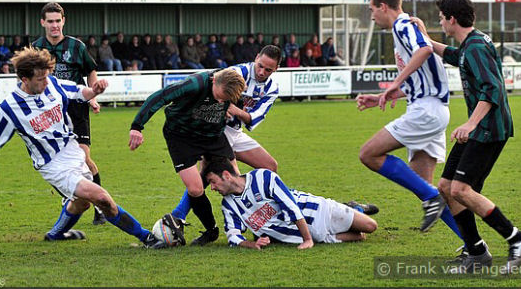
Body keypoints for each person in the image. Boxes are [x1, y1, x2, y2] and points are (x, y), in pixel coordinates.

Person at [0, 47, 167, 249]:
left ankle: (55, 235)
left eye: (46, 76)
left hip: (72, 150)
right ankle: (147, 237)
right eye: (40, 79)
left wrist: (95, 91)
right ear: (24, 79)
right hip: (52, 164)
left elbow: (79, 92)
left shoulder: (51, 83)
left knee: (82, 204)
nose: (45, 82)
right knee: (101, 198)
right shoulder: (9, 108)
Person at [411, 0, 521, 274]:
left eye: (441, 18)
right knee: (446, 187)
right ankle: (477, 253)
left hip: (489, 130)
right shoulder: (471, 44)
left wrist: (470, 124)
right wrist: (426, 41)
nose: (441, 22)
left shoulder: (476, 47)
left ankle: (517, 238)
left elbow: (493, 89)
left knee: (461, 190)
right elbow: (456, 56)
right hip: (482, 128)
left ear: (452, 19)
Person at [356, 0, 463, 242]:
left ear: (383, 6)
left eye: (371, 9)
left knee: (368, 154)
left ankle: (433, 199)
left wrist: (395, 82)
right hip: (432, 109)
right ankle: (474, 246)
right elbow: (424, 74)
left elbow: (425, 49)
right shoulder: (406, 27)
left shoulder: (403, 25)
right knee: (422, 184)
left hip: (426, 111)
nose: (372, 16)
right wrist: (388, 94)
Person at [168, 45, 284, 238]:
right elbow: (213, 95)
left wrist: (237, 110)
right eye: (260, 66)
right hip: (216, 130)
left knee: (270, 167)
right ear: (256, 58)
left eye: (268, 70)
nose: (262, 72)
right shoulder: (237, 73)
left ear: (276, 69)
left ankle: (265, 212)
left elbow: (254, 118)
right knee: (227, 176)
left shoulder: (272, 89)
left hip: (235, 131)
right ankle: (241, 221)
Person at [128, 68, 246, 246]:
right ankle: (211, 230)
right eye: (219, 97)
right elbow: (160, 97)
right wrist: (137, 126)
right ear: (214, 81)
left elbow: (239, 102)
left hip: (213, 136)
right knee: (195, 189)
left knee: (235, 180)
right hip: (181, 137)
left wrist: (230, 110)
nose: (221, 102)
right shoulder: (194, 84)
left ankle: (246, 225)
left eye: (225, 100)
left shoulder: (230, 87)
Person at [32, 2, 106, 225]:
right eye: (50, 21)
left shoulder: (77, 46)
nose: (55, 25)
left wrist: (92, 96)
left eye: (58, 21)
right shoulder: (35, 49)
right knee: (55, 160)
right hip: (50, 111)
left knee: (83, 159)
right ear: (43, 22)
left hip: (76, 108)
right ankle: (68, 199)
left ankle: (101, 207)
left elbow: (90, 71)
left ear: (63, 21)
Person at [202, 157, 378, 250]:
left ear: (226, 175)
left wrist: (307, 240)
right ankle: (346, 217)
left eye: (213, 181)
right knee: (359, 236)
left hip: (318, 211)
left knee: (370, 226)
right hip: (310, 235)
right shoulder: (229, 205)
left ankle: (354, 208)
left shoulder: (263, 177)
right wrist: (252, 244)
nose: (212, 188)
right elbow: (233, 235)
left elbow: (290, 205)